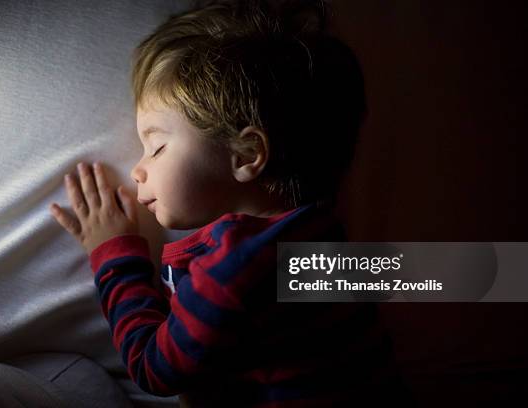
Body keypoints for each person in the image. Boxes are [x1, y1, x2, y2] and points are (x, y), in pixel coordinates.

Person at [50, 1, 413, 406]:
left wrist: (113, 254)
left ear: (245, 154)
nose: (137, 169)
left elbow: (152, 367)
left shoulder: (234, 273)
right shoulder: (318, 228)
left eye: (156, 147)